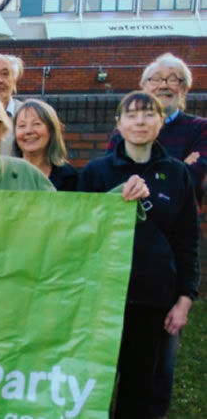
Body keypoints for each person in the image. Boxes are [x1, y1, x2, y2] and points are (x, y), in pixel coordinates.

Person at [79, 91, 199, 419]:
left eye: (148, 114)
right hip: (100, 300)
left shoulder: (177, 175)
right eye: (131, 115)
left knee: (138, 391)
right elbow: (78, 234)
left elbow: (187, 240)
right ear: (118, 123)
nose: (140, 121)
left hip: (152, 301)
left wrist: (185, 297)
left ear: (161, 122)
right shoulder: (95, 172)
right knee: (90, 387)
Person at [107, 53, 207, 204]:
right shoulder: (123, 130)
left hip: (178, 222)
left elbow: (190, 182)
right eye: (155, 79)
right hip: (129, 221)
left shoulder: (201, 128)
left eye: (173, 79)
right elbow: (111, 181)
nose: (163, 85)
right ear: (144, 87)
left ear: (185, 89)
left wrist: (138, 181)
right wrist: (179, 167)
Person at [13, 99, 78, 191]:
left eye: (36, 124)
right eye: (22, 125)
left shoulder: (69, 177)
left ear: (51, 130)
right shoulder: (5, 175)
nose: (28, 131)